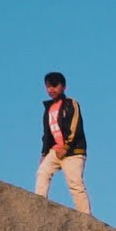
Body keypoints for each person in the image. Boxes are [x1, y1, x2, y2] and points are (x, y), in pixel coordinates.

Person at [34, 71, 91, 214]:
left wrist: (66, 147)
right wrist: (44, 154)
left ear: (63, 87)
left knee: (75, 184)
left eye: (55, 85)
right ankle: (38, 204)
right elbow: (47, 134)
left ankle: (86, 216)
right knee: (42, 172)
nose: (51, 89)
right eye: (48, 86)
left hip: (73, 151)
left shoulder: (71, 104)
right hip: (55, 150)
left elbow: (75, 126)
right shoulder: (48, 109)